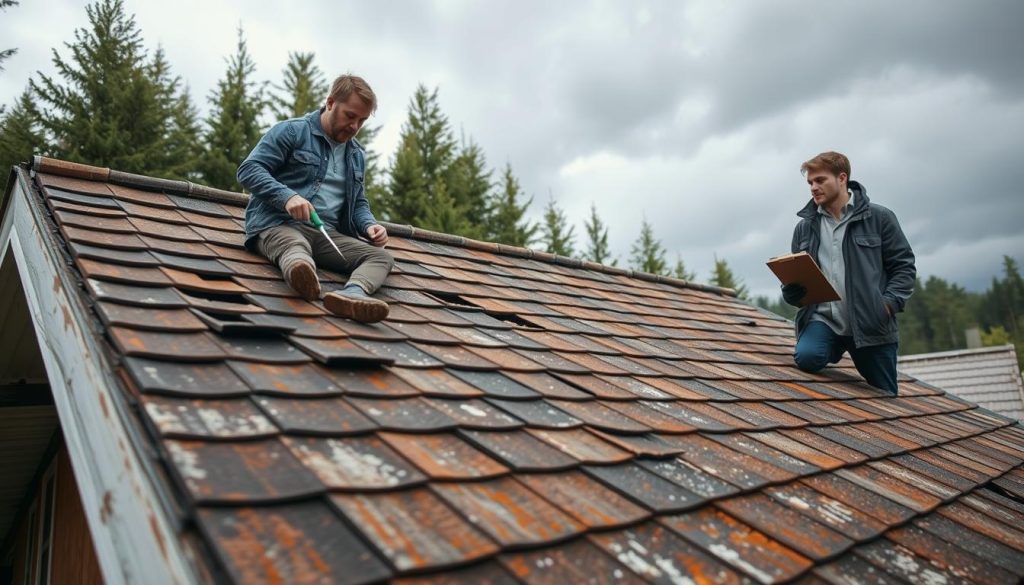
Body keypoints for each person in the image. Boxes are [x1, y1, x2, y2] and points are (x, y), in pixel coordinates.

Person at [238, 74, 393, 323]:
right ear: (330, 103)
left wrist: (369, 225)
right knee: (295, 247)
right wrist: (287, 197)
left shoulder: (356, 155)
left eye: (361, 121)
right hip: (278, 224)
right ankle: (303, 276)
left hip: (327, 235)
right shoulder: (291, 131)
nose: (354, 127)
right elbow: (249, 170)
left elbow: (359, 203)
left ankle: (352, 294)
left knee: (381, 257)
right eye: (350, 116)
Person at [782, 151, 915, 394]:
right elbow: (799, 277)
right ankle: (829, 345)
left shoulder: (880, 218)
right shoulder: (804, 228)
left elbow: (904, 266)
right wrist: (791, 293)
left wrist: (888, 304)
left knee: (885, 394)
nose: (813, 187)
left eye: (820, 180)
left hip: (870, 324)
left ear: (842, 178)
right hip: (824, 320)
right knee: (807, 357)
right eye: (810, 182)